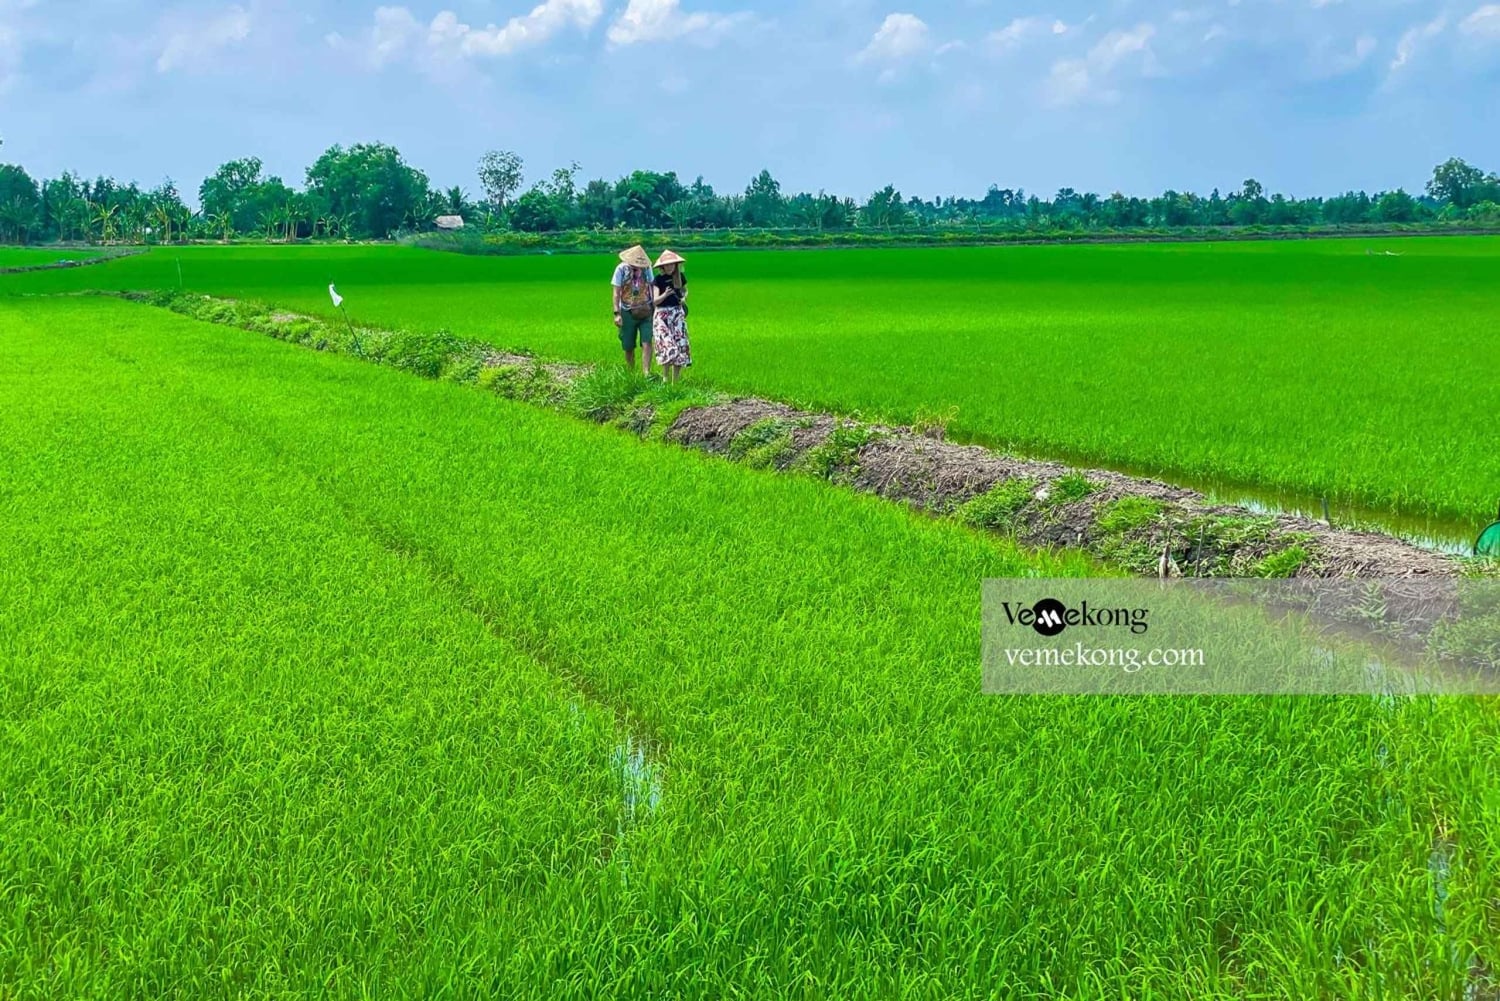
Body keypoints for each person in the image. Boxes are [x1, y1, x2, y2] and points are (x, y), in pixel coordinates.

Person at [612, 245, 655, 375]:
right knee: (628, 345)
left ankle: (646, 373)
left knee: (647, 341)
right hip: (627, 310)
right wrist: (616, 313)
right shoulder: (621, 269)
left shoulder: (647, 269)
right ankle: (631, 373)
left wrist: (655, 308)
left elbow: (651, 287)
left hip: (645, 309)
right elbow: (616, 292)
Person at [651, 249, 691, 383]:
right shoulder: (658, 280)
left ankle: (676, 382)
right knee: (667, 346)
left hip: (677, 313)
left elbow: (685, 291)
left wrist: (684, 298)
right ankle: (665, 378)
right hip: (662, 315)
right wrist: (665, 294)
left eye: (672, 264)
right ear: (662, 267)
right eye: (667, 265)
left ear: (675, 265)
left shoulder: (680, 277)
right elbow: (655, 301)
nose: (669, 267)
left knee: (680, 345)